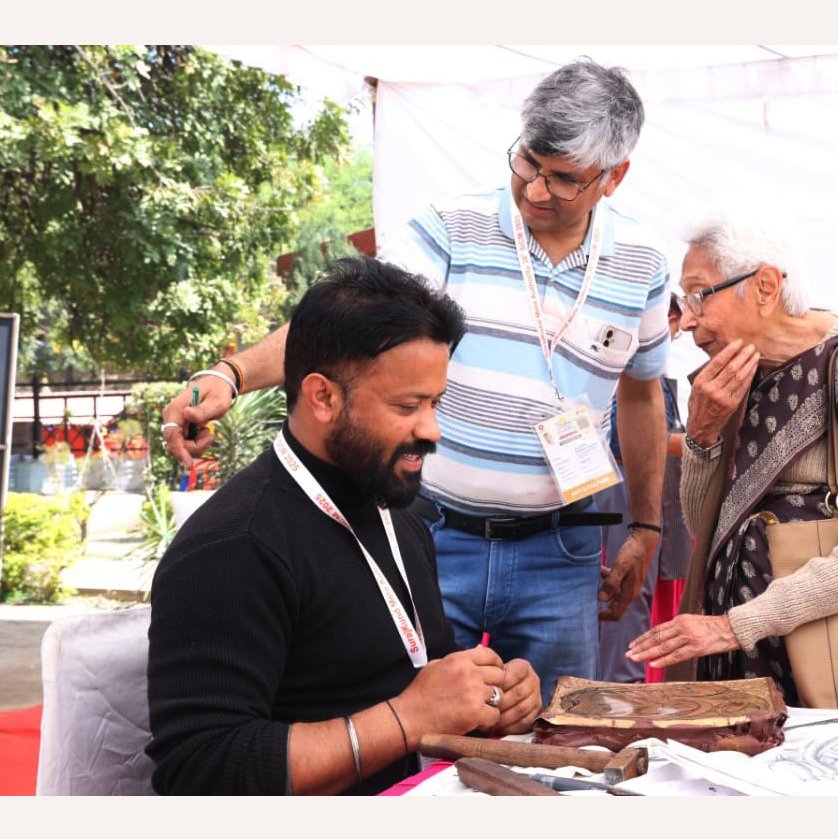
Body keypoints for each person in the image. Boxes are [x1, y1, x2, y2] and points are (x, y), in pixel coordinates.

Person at [160, 59, 670, 703]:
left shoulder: (642, 264)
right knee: (415, 734)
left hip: (560, 555)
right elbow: (346, 321)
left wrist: (647, 528)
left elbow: (641, 393)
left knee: (556, 737)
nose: (536, 191)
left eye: (564, 179)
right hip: (431, 536)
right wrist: (232, 375)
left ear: (614, 177)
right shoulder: (453, 227)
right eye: (527, 163)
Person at [146, 257, 541, 795]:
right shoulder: (234, 546)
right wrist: (408, 717)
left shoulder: (400, 513)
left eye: (436, 402)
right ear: (323, 397)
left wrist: (493, 697)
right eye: (408, 405)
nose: (432, 428)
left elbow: (433, 677)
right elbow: (201, 771)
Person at [626, 210, 838, 705]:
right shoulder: (734, 378)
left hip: (825, 661)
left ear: (766, 286)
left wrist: (735, 626)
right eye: (684, 301)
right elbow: (706, 532)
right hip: (735, 652)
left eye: (700, 294)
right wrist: (702, 434)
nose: (689, 320)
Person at [596, 293, 691, 682]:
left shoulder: (657, 377)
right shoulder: (630, 375)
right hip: (624, 490)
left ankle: (628, 679)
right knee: (628, 591)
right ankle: (624, 683)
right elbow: (621, 442)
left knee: (641, 594)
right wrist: (688, 442)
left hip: (649, 493)